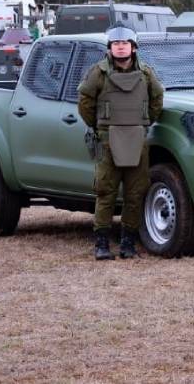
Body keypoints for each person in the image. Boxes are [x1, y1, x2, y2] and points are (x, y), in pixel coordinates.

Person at [77, 23, 164, 260]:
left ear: (133, 47)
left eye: (125, 43)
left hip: (137, 140)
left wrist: (144, 122)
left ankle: (128, 244)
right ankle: (102, 244)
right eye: (116, 43)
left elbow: (157, 99)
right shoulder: (98, 72)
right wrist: (99, 126)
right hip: (107, 141)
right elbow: (85, 102)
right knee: (105, 192)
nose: (121, 47)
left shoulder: (146, 73)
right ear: (110, 48)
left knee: (135, 193)